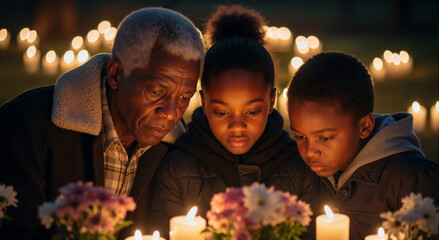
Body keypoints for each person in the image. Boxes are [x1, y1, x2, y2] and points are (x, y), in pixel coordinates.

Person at [0, 7, 204, 239]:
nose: (170, 113)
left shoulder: (174, 151)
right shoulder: (28, 125)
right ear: (116, 74)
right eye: (156, 91)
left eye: (184, 98)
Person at [150, 5, 320, 239]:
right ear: (204, 102)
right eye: (221, 112)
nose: (237, 126)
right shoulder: (177, 168)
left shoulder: (299, 168)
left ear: (271, 101)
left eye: (251, 112)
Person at [287, 52, 439, 239]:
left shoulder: (413, 181)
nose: (310, 151)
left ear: (364, 127)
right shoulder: (301, 175)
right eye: (300, 136)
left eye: (325, 138)